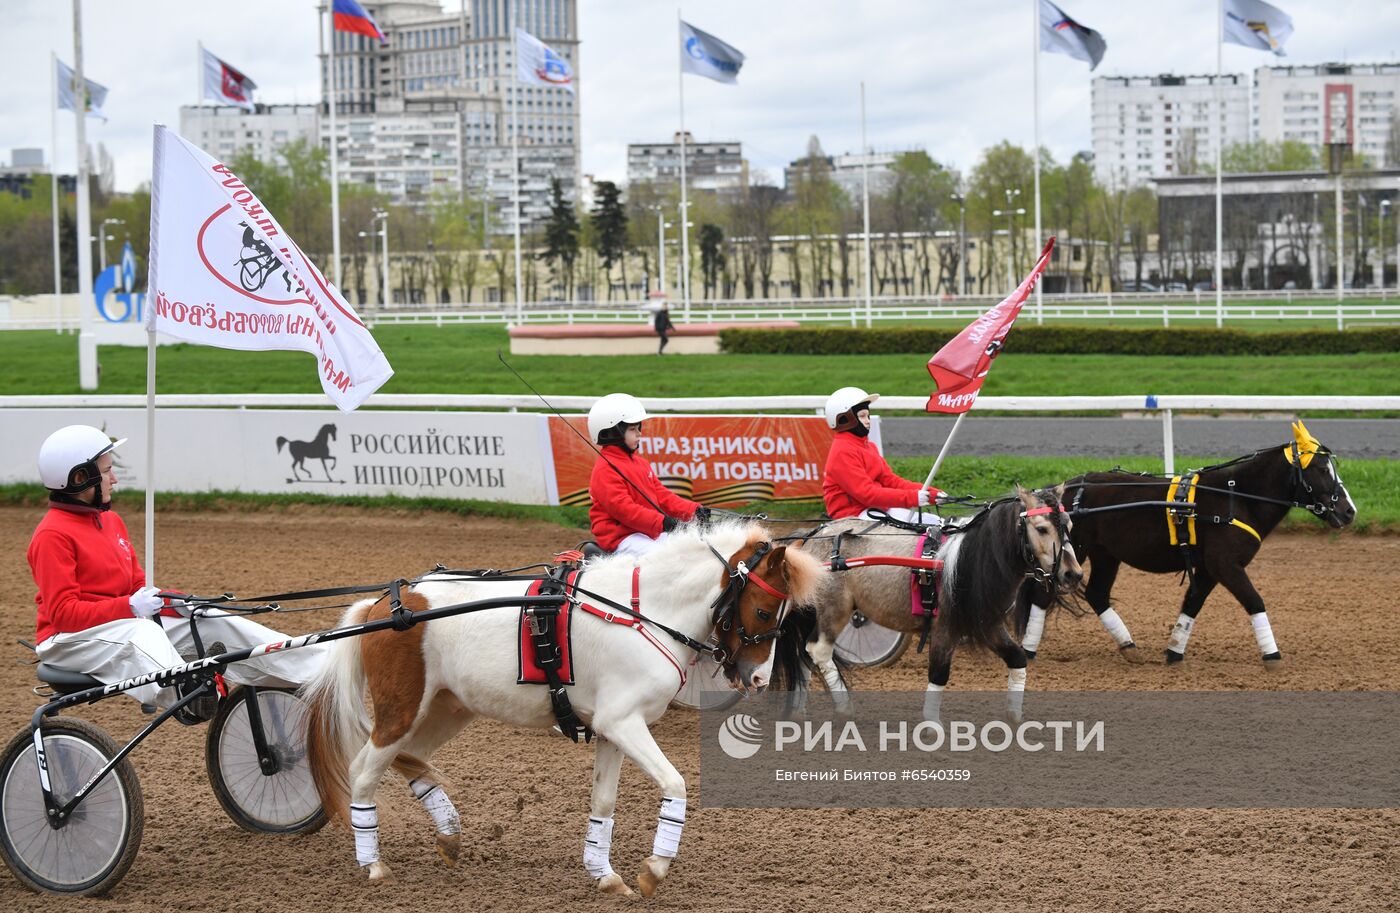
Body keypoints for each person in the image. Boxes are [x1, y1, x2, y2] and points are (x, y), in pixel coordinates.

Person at [27, 425, 326, 719]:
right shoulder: (52, 536)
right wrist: (129, 606)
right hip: (67, 640)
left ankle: (318, 666)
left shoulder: (112, 521)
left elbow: (136, 586)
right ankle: (187, 694)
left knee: (209, 619)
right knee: (141, 632)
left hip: (118, 622)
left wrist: (176, 603)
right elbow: (64, 614)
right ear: (80, 478)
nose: (114, 479)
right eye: (106, 472)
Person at [586, 394, 708, 557]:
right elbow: (625, 510)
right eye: (632, 429)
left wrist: (693, 511)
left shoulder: (640, 463)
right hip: (622, 538)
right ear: (613, 432)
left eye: (638, 428)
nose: (639, 434)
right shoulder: (604, 470)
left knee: (692, 548)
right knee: (669, 558)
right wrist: (663, 522)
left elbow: (662, 496)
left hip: (647, 532)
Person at [822, 386, 943, 522]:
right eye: (862, 416)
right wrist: (913, 497)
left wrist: (932, 493)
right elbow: (866, 494)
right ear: (845, 419)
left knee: (935, 522)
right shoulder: (842, 452)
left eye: (867, 415)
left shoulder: (868, 446)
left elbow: (891, 481)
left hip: (877, 509)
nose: (868, 421)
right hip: (853, 515)